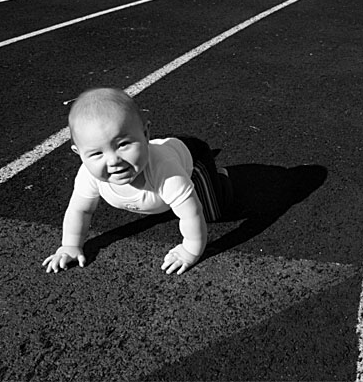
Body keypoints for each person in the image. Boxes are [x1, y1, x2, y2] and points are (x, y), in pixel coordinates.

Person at [42, 87, 232, 275]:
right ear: (79, 154)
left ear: (146, 134)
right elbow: (79, 210)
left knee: (213, 213)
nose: (113, 160)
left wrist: (190, 251)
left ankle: (219, 176)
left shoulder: (166, 171)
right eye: (97, 153)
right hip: (159, 149)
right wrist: (69, 246)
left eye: (123, 144)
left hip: (194, 155)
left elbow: (192, 214)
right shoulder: (89, 174)